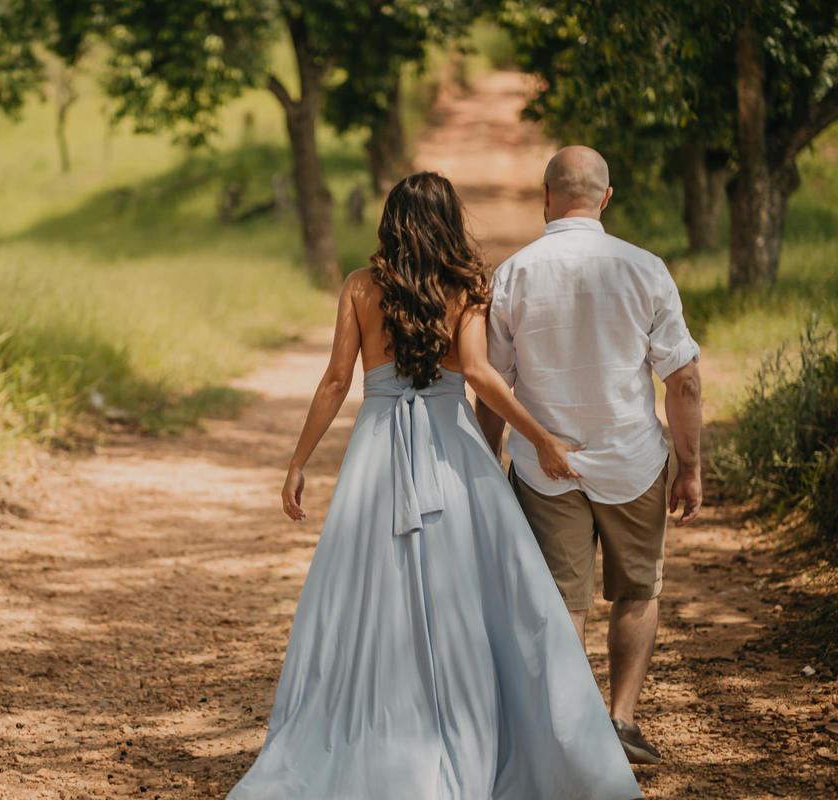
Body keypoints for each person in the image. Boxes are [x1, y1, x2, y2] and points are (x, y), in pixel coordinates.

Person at [227, 172, 642, 800]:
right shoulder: (467, 289)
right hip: (454, 450)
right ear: (450, 222)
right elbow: (478, 374)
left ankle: (375, 726)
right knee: (477, 594)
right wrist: (542, 438)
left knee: (370, 590)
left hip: (377, 452)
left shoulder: (361, 287)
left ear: (391, 220)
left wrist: (297, 462)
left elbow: (337, 380)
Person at [475, 145, 703, 766]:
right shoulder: (645, 268)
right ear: (605, 198)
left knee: (561, 600)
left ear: (545, 197)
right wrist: (691, 465)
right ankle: (622, 720)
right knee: (637, 591)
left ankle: (571, 734)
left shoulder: (514, 274)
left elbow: (493, 384)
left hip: (545, 467)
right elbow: (682, 379)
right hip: (632, 460)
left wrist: (489, 459)